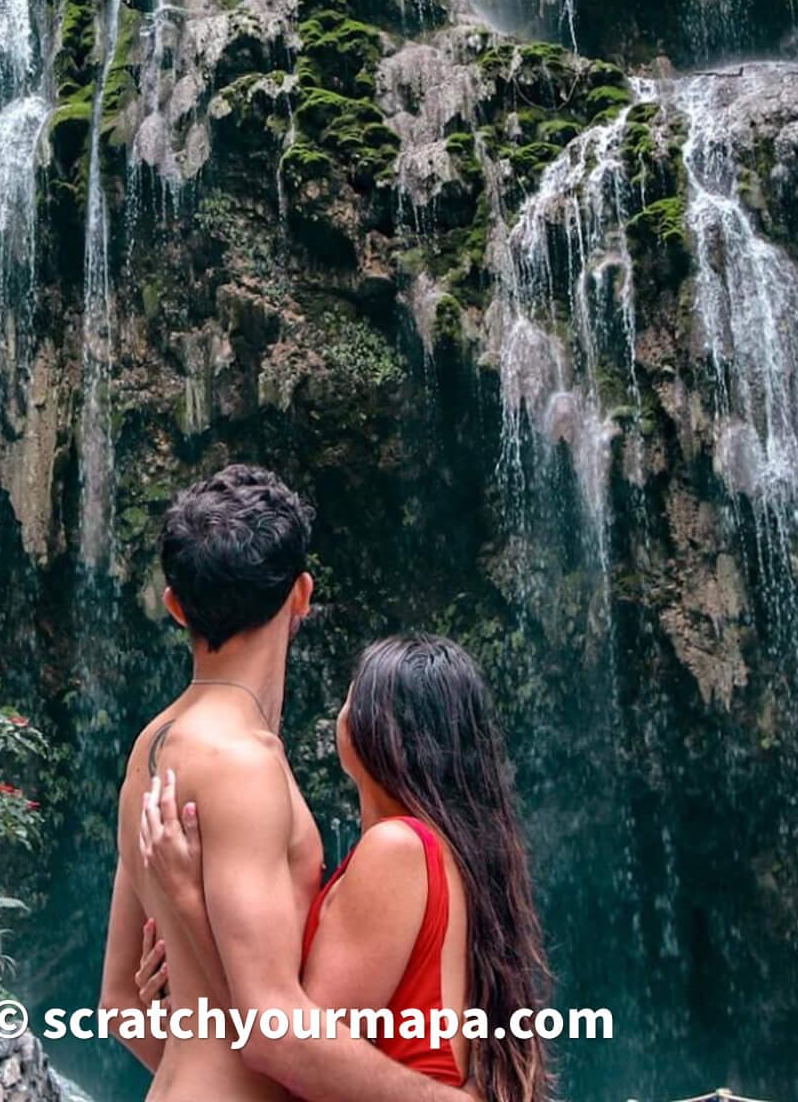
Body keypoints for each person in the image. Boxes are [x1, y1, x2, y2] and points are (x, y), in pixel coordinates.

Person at [98, 462, 551, 1101]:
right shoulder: (245, 764)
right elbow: (274, 1034)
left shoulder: (150, 748)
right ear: (303, 594)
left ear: (175, 606)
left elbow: (119, 1004)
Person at [140, 633, 552, 1102]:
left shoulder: (398, 848)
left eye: (352, 694)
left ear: (377, 731)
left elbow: (289, 1054)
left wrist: (190, 905)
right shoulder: (446, 852)